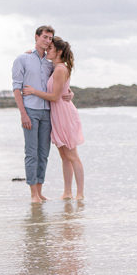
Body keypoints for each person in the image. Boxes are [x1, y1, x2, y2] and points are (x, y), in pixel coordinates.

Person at [22, 36, 85, 200]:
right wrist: (30, 53)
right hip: (57, 114)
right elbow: (40, 65)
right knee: (64, 156)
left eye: (50, 48)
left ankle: (79, 193)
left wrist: (33, 91)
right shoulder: (55, 67)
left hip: (63, 113)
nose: (47, 51)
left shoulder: (60, 69)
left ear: (59, 51)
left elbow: (55, 96)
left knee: (72, 155)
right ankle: (67, 192)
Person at [12, 25, 55, 203]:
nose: (47, 41)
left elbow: (57, 85)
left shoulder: (50, 64)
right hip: (30, 110)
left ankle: (40, 190)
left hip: (47, 111)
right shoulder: (22, 59)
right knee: (31, 153)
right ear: (36, 37)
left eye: (50, 38)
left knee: (43, 153)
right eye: (44, 37)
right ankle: (33, 194)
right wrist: (23, 114)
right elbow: (16, 88)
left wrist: (70, 93)